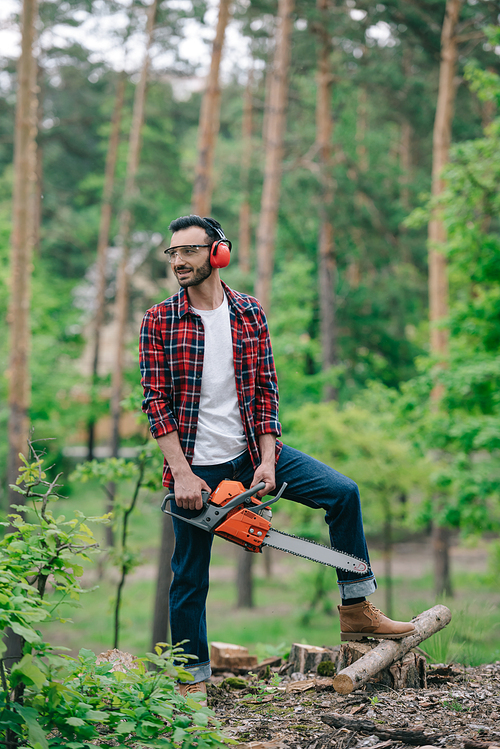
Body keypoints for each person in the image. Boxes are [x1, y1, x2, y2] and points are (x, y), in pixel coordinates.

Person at [139, 215, 415, 701]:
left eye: (189, 251)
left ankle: (356, 606)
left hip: (252, 455)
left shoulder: (249, 313)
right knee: (189, 574)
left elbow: (265, 393)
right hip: (193, 467)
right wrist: (181, 473)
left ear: (217, 253)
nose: (179, 261)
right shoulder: (159, 319)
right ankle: (190, 680)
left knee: (343, 493)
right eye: (172, 253)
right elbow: (155, 401)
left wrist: (267, 462)